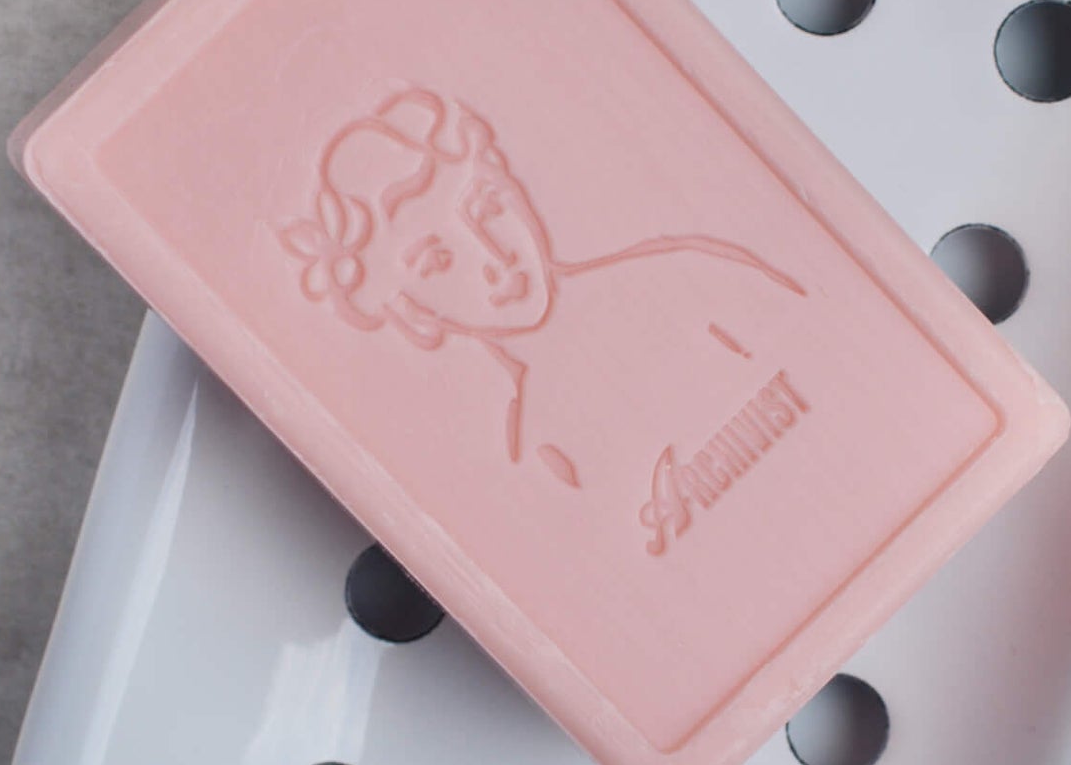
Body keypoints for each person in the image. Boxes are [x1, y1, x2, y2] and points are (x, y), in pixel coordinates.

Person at [280, 88, 803, 489]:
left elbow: (832, 351)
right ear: (413, 312)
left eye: (485, 206)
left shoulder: (693, 281)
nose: (492, 257)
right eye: (436, 258)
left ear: (515, 191)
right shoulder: (544, 448)